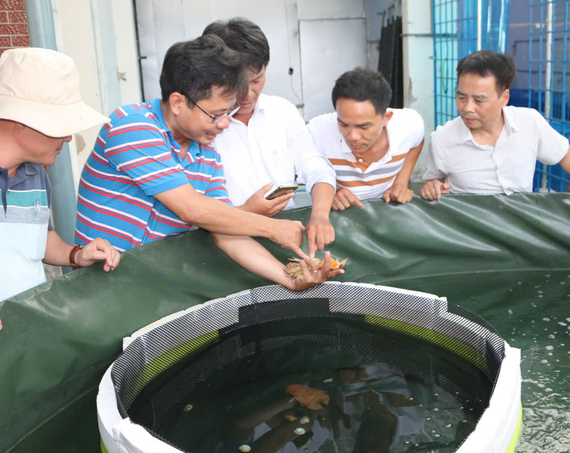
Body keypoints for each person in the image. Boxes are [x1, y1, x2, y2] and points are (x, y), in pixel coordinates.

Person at [75, 35, 341, 291]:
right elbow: (191, 208)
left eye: (228, 113)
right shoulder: (133, 126)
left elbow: (224, 230)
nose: (224, 124)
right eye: (215, 115)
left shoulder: (206, 153)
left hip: (153, 286)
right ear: (178, 102)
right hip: (101, 285)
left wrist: (289, 278)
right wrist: (272, 228)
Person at [420, 50, 570, 210]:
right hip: (470, 235)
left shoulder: (529, 122)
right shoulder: (443, 139)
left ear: (504, 98)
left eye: (479, 100)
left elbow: (566, 154)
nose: (467, 108)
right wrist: (432, 187)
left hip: (521, 229)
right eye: (462, 97)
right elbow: (435, 180)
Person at [204, 18, 336, 257]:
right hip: (227, 249)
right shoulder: (202, 126)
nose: (247, 94)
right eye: (236, 84)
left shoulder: (282, 111)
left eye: (257, 80)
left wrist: (319, 215)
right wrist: (246, 212)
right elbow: (195, 210)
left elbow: (315, 166)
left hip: (288, 240)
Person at [0, 48, 120, 302]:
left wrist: (76, 255)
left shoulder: (36, 173)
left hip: (27, 325)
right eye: (61, 123)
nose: (68, 137)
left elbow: (37, 241)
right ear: (22, 120)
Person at [307, 68, 424, 211]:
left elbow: (418, 142)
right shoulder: (316, 132)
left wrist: (400, 183)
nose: (352, 136)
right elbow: (301, 167)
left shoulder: (410, 126)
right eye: (343, 124)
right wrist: (331, 191)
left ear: (386, 118)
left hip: (387, 212)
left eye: (363, 127)